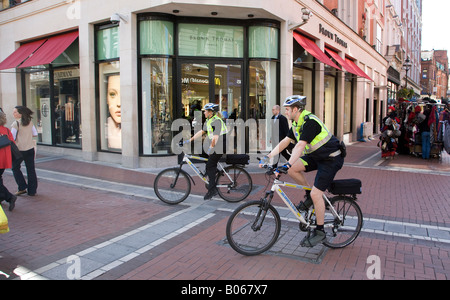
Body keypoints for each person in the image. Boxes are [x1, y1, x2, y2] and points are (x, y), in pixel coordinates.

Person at [259, 95, 344, 247]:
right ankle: (309, 196)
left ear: (296, 109)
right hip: (317, 156)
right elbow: (286, 141)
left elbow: (299, 146)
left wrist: (287, 164)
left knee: (316, 193)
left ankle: (320, 231)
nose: (285, 112)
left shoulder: (309, 122)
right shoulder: (297, 123)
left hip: (331, 158)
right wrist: (268, 157)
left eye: (287, 109)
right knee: (293, 171)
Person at [185, 103, 227, 200]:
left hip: (221, 144)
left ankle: (212, 190)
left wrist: (210, 148)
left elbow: (216, 137)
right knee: (200, 150)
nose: (204, 112)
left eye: (205, 111)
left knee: (209, 165)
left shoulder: (217, 121)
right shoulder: (209, 120)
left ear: (211, 112)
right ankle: (214, 170)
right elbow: (202, 132)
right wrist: (189, 140)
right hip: (217, 143)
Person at [11, 106, 38, 196]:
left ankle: (22, 187)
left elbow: (12, 137)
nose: (13, 114)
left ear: (20, 114)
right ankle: (32, 190)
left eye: (15, 112)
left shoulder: (16, 124)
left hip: (19, 150)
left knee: (15, 168)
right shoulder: (30, 122)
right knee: (31, 170)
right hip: (30, 149)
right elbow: (35, 134)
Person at [0, 110, 17, 211]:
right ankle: (2, 197)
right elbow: (12, 142)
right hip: (5, 159)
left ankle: (9, 197)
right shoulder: (6, 130)